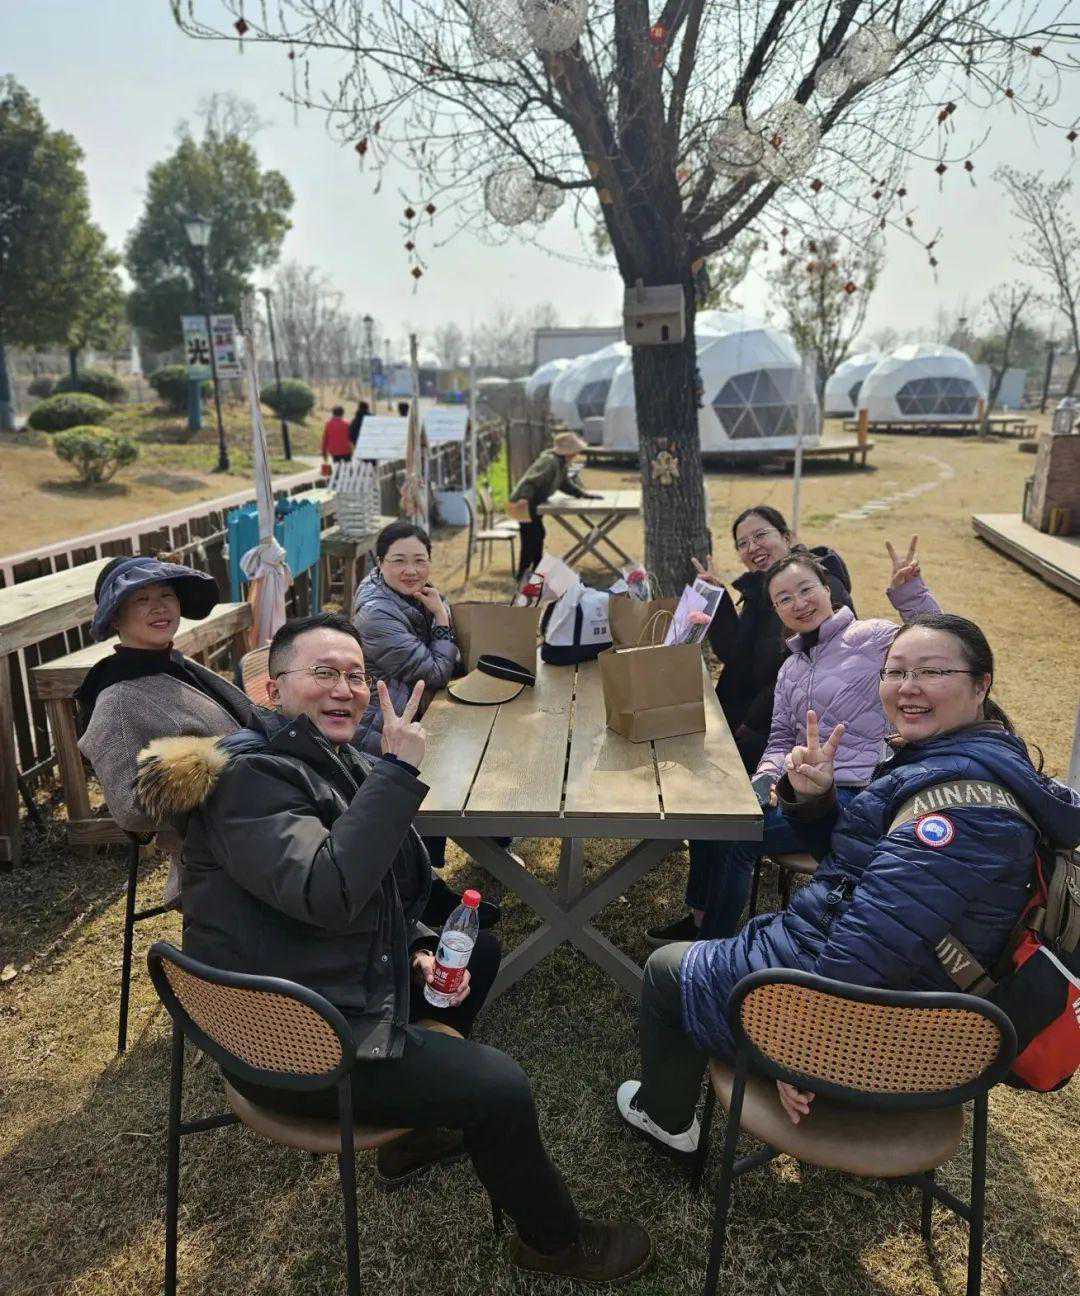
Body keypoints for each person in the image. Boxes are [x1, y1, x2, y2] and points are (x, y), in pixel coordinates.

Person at [136, 613, 651, 1283]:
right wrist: (399, 771)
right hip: (293, 1037)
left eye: (356, 675)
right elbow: (329, 892)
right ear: (272, 690)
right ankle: (555, 1244)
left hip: (318, 975)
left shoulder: (323, 759)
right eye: (323, 673)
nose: (344, 689)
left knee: (474, 953)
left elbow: (378, 892)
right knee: (499, 1087)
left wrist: (417, 948)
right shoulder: (249, 782)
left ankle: (414, 1132)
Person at [617, 613, 1080, 1153]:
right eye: (896, 671)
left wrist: (798, 1044)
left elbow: (872, 946)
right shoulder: (966, 758)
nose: (908, 687)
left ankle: (666, 1121)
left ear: (981, 686)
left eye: (932, 672)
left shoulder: (959, 815)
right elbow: (862, 871)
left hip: (883, 1025)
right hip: (902, 985)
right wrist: (817, 803)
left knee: (667, 970)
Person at [654, 536, 935, 944]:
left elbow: (938, 645)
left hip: (858, 793)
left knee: (735, 838)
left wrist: (911, 594)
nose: (799, 603)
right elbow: (781, 737)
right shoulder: (791, 668)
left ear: (827, 588)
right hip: (801, 790)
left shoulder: (872, 637)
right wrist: (765, 778)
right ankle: (701, 918)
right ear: (777, 610)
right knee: (715, 817)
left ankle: (708, 950)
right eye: (784, 599)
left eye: (806, 589)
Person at [648, 506, 854, 946]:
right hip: (765, 731)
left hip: (804, 748)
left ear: (787, 536)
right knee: (706, 799)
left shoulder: (817, 590)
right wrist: (717, 598)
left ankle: (711, 941)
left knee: (721, 818)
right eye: (743, 543)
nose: (752, 548)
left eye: (761, 536)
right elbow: (738, 656)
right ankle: (701, 913)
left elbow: (790, 675)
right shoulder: (764, 591)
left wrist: (747, 726)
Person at [76, 556, 256, 898]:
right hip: (217, 863)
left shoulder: (176, 665)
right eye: (141, 599)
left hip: (255, 824)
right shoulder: (117, 701)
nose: (159, 607)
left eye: (166, 595)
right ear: (115, 617)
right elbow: (131, 811)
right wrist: (206, 764)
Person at [352, 520, 496, 924]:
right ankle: (428, 890)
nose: (411, 570)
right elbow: (435, 671)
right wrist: (442, 620)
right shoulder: (376, 614)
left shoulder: (414, 596)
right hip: (381, 729)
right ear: (380, 563)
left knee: (488, 740)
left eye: (420, 560)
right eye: (399, 561)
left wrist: (438, 615)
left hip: (420, 711)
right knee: (456, 764)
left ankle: (492, 843)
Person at [508, 431, 600, 581]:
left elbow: (565, 484)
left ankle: (536, 570)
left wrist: (582, 494)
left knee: (538, 535)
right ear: (568, 451)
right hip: (522, 502)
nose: (576, 454)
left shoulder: (560, 462)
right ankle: (523, 574)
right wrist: (524, 499)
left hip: (532, 502)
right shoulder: (549, 461)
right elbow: (532, 481)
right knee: (531, 538)